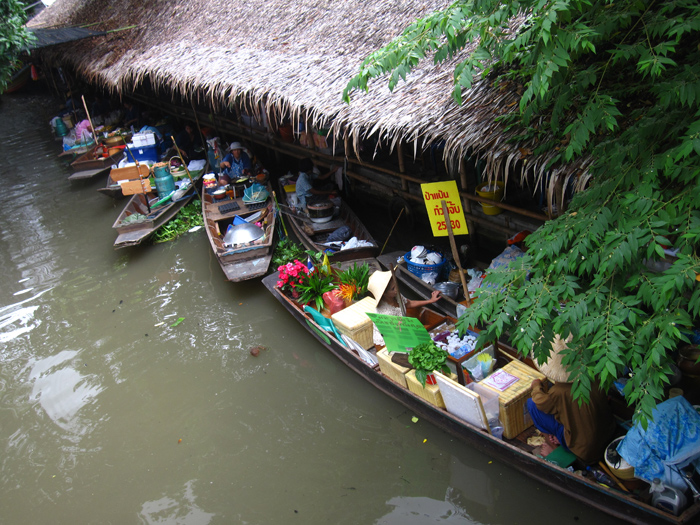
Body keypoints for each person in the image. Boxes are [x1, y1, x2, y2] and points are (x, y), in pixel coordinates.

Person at [526, 334, 616, 464]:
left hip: (584, 448)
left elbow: (540, 403)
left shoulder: (559, 392)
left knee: (532, 405)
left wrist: (536, 386)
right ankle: (559, 437)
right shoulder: (595, 371)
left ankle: (552, 446)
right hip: (607, 431)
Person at [368, 271, 442, 346]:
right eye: (393, 289)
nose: (396, 289)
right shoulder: (385, 312)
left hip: (402, 329)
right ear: (384, 293)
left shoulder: (396, 295)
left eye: (396, 285)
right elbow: (394, 334)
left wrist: (430, 301)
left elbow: (409, 303)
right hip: (390, 340)